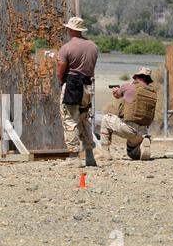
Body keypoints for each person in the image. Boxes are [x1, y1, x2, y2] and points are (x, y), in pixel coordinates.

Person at [57, 17, 99, 168]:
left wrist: (60, 81)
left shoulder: (67, 48)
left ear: (72, 30)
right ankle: (89, 155)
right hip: (88, 86)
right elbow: (92, 69)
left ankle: (74, 156)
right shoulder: (93, 46)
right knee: (83, 119)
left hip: (73, 84)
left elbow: (61, 69)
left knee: (69, 119)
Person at [99, 67, 157, 161]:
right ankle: (144, 143)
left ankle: (105, 153)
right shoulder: (153, 93)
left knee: (106, 119)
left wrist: (116, 90)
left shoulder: (128, 87)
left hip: (129, 129)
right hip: (143, 132)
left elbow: (117, 95)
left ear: (137, 77)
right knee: (132, 153)